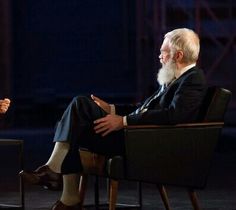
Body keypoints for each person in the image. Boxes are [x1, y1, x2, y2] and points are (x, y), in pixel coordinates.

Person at [20, 28, 207, 210]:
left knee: (80, 106)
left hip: (144, 144)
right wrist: (111, 109)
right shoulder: (175, 78)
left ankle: (58, 181)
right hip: (137, 137)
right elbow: (142, 109)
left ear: (178, 55)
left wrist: (123, 121)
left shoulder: (193, 79)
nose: (160, 57)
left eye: (164, 53)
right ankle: (65, 193)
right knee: (75, 124)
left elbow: (174, 115)